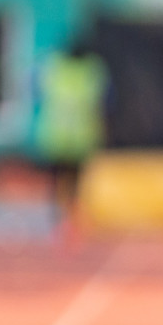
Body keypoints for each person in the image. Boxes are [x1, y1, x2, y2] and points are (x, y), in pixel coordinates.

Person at [34, 41, 109, 244]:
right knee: (75, 185)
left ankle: (58, 225)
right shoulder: (92, 72)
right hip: (80, 138)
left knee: (56, 185)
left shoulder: (52, 67)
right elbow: (103, 103)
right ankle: (72, 225)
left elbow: (36, 93)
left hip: (54, 136)